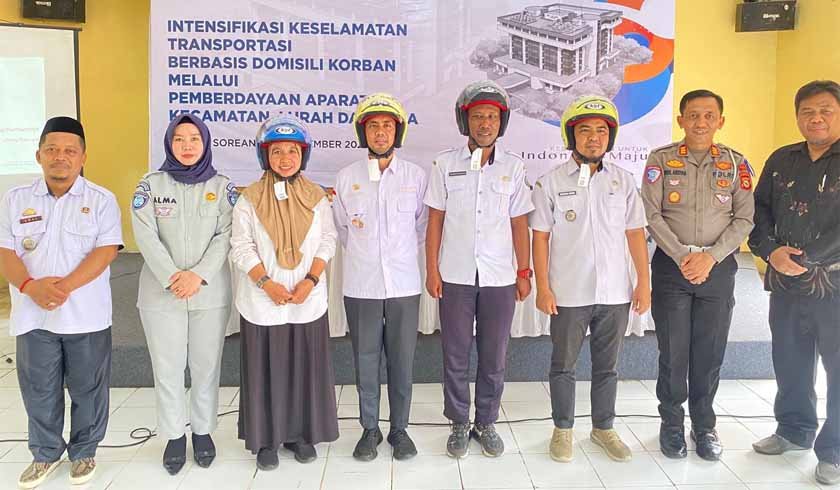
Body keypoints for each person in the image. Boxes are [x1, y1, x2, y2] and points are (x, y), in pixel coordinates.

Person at [0, 116, 123, 488]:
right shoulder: (15, 199)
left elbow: (106, 251)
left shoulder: (101, 200)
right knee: (39, 389)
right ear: (38, 155)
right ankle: (45, 454)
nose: (60, 157)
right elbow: (5, 250)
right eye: (52, 149)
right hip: (33, 315)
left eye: (70, 151)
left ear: (83, 157)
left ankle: (84, 452)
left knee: (89, 389)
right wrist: (29, 286)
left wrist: (63, 287)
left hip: (86, 316)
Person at [530, 95, 649, 463]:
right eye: (585, 131)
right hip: (568, 292)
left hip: (615, 293)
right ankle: (563, 430)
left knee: (607, 367)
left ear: (610, 137)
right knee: (563, 365)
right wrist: (543, 287)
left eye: (601, 131)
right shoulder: (550, 182)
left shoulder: (623, 181)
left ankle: (603, 428)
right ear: (571, 136)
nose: (593, 138)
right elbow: (540, 237)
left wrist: (643, 283)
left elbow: (635, 233)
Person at [641, 89, 755, 461]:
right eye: (693, 115)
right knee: (673, 352)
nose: (701, 122)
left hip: (717, 270)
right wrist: (682, 255)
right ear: (681, 120)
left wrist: (711, 257)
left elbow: (745, 219)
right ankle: (672, 424)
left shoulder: (736, 164)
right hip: (672, 269)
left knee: (709, 351)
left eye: (708, 115)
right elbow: (651, 214)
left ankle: (704, 426)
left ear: (720, 121)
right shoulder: (661, 159)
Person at [424, 80, 534, 458]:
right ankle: (458, 421)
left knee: (494, 354)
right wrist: (432, 270)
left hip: (499, 277)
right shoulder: (444, 164)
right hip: (454, 275)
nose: (485, 124)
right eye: (477, 117)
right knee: (455, 353)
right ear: (465, 121)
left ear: (501, 123)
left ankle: (486, 421)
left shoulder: (513, 167)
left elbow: (519, 223)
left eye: (491, 117)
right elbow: (435, 221)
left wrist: (524, 272)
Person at [230, 115, 339, 471]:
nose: (285, 158)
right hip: (263, 301)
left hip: (307, 299)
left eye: (293, 151)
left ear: (303, 155)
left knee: (304, 369)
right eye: (277, 151)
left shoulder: (317, 197)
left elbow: (328, 240)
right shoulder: (248, 199)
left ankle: (301, 436)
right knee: (266, 372)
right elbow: (241, 247)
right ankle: (266, 441)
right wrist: (266, 283)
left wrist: (310, 280)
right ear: (265, 155)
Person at [131, 114, 236, 475]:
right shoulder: (150, 185)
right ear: (169, 144)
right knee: (168, 368)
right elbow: (145, 235)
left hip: (209, 292)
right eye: (179, 139)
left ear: (205, 143)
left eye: (194, 139)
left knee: (206, 366)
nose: (187, 145)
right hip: (162, 294)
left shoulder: (222, 187)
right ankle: (174, 436)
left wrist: (198, 276)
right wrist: (173, 277)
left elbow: (226, 235)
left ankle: (203, 432)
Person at [748, 80, 840, 485]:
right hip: (785, 282)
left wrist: (805, 258)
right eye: (807, 111)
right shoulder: (782, 159)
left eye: (825, 110)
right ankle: (793, 429)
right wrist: (771, 252)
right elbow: (758, 211)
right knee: (789, 359)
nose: (816, 118)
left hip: (834, 285)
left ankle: (834, 450)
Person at [333, 93, 428, 461]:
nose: (380, 132)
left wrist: (395, 255)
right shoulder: (346, 178)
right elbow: (342, 229)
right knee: (366, 361)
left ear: (397, 131)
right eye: (373, 126)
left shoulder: (415, 176)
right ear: (364, 132)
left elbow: (421, 227)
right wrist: (368, 254)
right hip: (362, 286)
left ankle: (399, 430)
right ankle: (369, 429)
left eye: (387, 125)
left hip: (404, 284)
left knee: (402, 362)